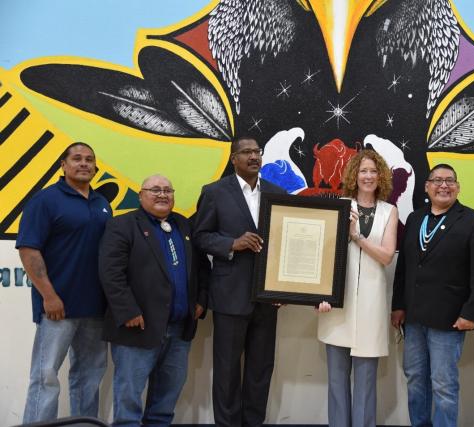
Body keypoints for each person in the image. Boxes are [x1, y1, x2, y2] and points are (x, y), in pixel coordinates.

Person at [98, 174, 209, 426]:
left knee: (165, 402)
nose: (162, 195)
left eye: (167, 190)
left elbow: (202, 267)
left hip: (179, 330)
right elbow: (110, 273)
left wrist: (201, 300)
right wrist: (127, 311)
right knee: (129, 403)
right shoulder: (122, 225)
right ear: (141, 195)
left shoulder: (184, 225)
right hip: (137, 328)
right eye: (155, 190)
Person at [193, 136, 287, 427]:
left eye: (257, 152)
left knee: (261, 371)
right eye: (246, 152)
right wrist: (232, 243)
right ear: (233, 159)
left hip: (268, 297)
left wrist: (286, 286)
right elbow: (200, 236)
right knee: (227, 372)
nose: (253, 156)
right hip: (229, 294)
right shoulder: (214, 192)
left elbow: (287, 244)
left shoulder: (277, 192)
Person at [16, 142, 112, 423]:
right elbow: (29, 250)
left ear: (95, 167)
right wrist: (49, 296)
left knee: (89, 376)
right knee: (45, 376)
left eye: (89, 160)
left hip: (95, 309)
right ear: (63, 165)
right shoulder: (45, 200)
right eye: (77, 158)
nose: (84, 163)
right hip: (57, 307)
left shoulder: (102, 204)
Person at [391, 164, 474, 427]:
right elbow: (404, 268)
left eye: (449, 181)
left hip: (449, 319)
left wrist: (472, 313)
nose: (443, 185)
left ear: (458, 187)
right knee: (415, 379)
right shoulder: (415, 218)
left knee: (443, 385)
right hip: (413, 318)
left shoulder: (473, 221)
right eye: (437, 180)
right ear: (427, 186)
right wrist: (398, 306)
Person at [316, 150, 399, 427]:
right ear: (354, 174)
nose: (368, 176)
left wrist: (356, 237)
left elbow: (386, 256)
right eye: (363, 171)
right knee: (337, 382)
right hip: (336, 306)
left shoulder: (390, 211)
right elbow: (323, 256)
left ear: (381, 176)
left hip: (371, 306)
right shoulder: (338, 205)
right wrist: (321, 297)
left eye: (373, 171)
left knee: (365, 382)